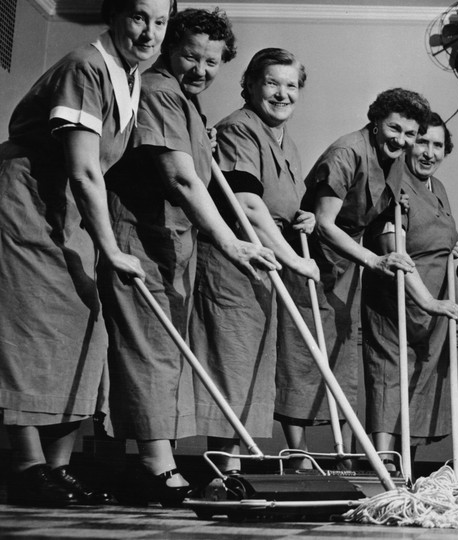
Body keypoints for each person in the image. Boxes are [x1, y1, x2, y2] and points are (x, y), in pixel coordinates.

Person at [0, 0, 174, 507]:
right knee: (32, 326)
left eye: (160, 22)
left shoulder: (128, 76)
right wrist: (112, 248)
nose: (150, 33)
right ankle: (28, 468)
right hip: (27, 200)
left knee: (83, 326)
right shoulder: (85, 65)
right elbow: (83, 169)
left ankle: (59, 468)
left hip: (67, 211)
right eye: (140, 17)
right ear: (115, 14)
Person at [100, 8, 277, 505]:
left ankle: (161, 463)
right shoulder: (159, 91)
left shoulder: (185, 102)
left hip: (170, 244)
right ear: (169, 49)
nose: (201, 69)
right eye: (190, 56)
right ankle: (154, 469)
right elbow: (179, 178)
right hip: (139, 236)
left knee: (165, 352)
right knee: (148, 350)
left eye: (213, 61)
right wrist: (231, 241)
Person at [277, 88, 426, 467]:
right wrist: (374, 261)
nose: (402, 140)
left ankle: (344, 454)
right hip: (309, 256)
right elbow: (324, 223)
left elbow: (378, 212)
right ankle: (298, 455)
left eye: (410, 134)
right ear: (375, 122)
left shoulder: (393, 161)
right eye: (394, 128)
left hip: (346, 265)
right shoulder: (347, 152)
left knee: (340, 356)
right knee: (304, 352)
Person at [190, 48, 319, 474]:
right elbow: (246, 204)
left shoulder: (287, 143)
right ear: (249, 84)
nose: (282, 94)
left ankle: (236, 469)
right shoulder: (237, 130)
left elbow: (274, 201)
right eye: (272, 83)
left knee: (251, 366)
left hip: (262, 265)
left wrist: (302, 216)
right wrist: (294, 261)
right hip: (233, 264)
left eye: (291, 85)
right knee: (233, 361)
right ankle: (224, 472)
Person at [362, 113, 458, 471]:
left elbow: (441, 236)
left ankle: (406, 464)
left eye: (437, 145)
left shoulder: (440, 189)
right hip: (398, 296)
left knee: (419, 381)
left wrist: (454, 250)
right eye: (422, 142)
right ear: (408, 143)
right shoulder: (394, 182)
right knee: (390, 375)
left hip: (432, 304)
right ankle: (383, 464)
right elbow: (393, 247)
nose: (429, 152)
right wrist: (427, 301)